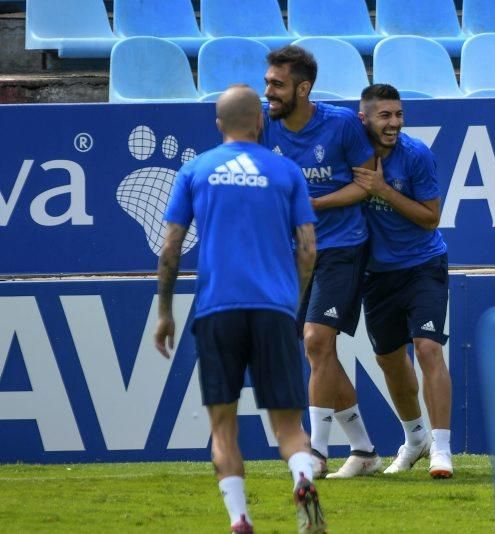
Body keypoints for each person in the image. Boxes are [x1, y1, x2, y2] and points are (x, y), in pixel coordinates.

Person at [154, 85, 326, 533]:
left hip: (217, 310)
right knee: (289, 427)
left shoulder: (194, 170)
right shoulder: (287, 171)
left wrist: (165, 311)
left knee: (223, 427)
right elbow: (308, 249)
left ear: (218, 124)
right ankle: (303, 476)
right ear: (259, 122)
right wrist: (291, 297)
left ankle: (239, 518)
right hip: (273, 308)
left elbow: (171, 247)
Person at [261, 45, 380, 479]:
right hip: (294, 256)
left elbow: (366, 185)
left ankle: (315, 452)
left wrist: (315, 203)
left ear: (303, 88)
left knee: (315, 341)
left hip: (342, 247)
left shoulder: (343, 125)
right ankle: (365, 451)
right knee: (320, 354)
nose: (268, 91)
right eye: (268, 82)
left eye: (277, 84)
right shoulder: (262, 125)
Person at [351, 84, 453, 478]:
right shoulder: (351, 154)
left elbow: (430, 217)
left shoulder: (416, 155)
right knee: (389, 360)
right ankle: (415, 440)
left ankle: (441, 450)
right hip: (377, 274)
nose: (393, 123)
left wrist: (380, 190)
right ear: (365, 119)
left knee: (428, 348)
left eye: (398, 114)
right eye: (384, 115)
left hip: (423, 264)